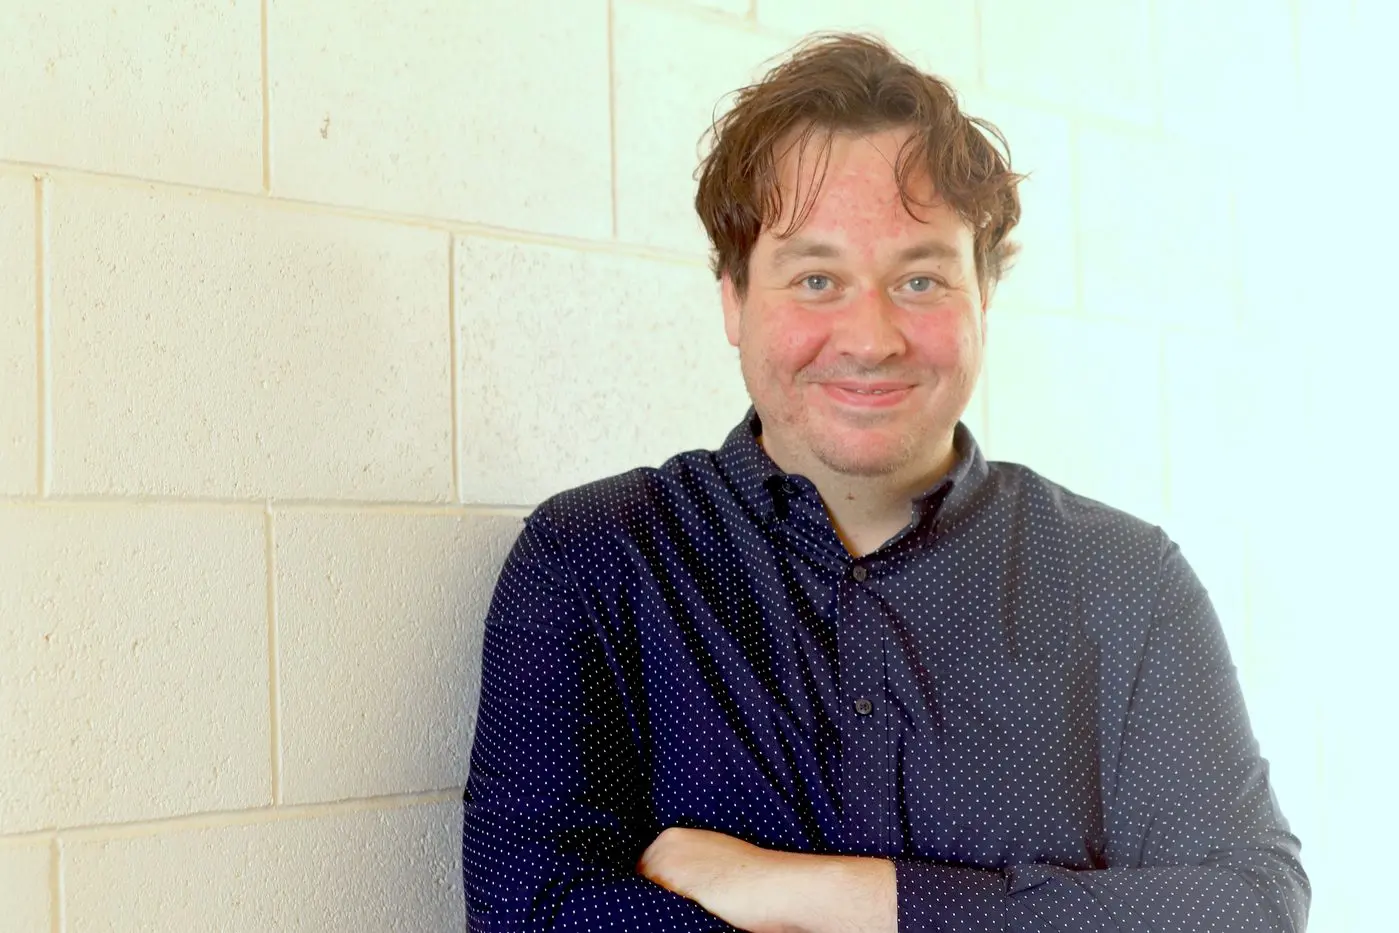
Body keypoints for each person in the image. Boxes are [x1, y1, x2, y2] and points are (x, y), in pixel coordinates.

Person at [460, 33, 1309, 933]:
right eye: (816, 277)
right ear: (733, 298)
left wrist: (831, 895)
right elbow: (530, 912)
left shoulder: (1125, 582)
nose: (870, 337)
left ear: (983, 296)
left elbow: (1246, 906)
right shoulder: (596, 560)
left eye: (918, 278)